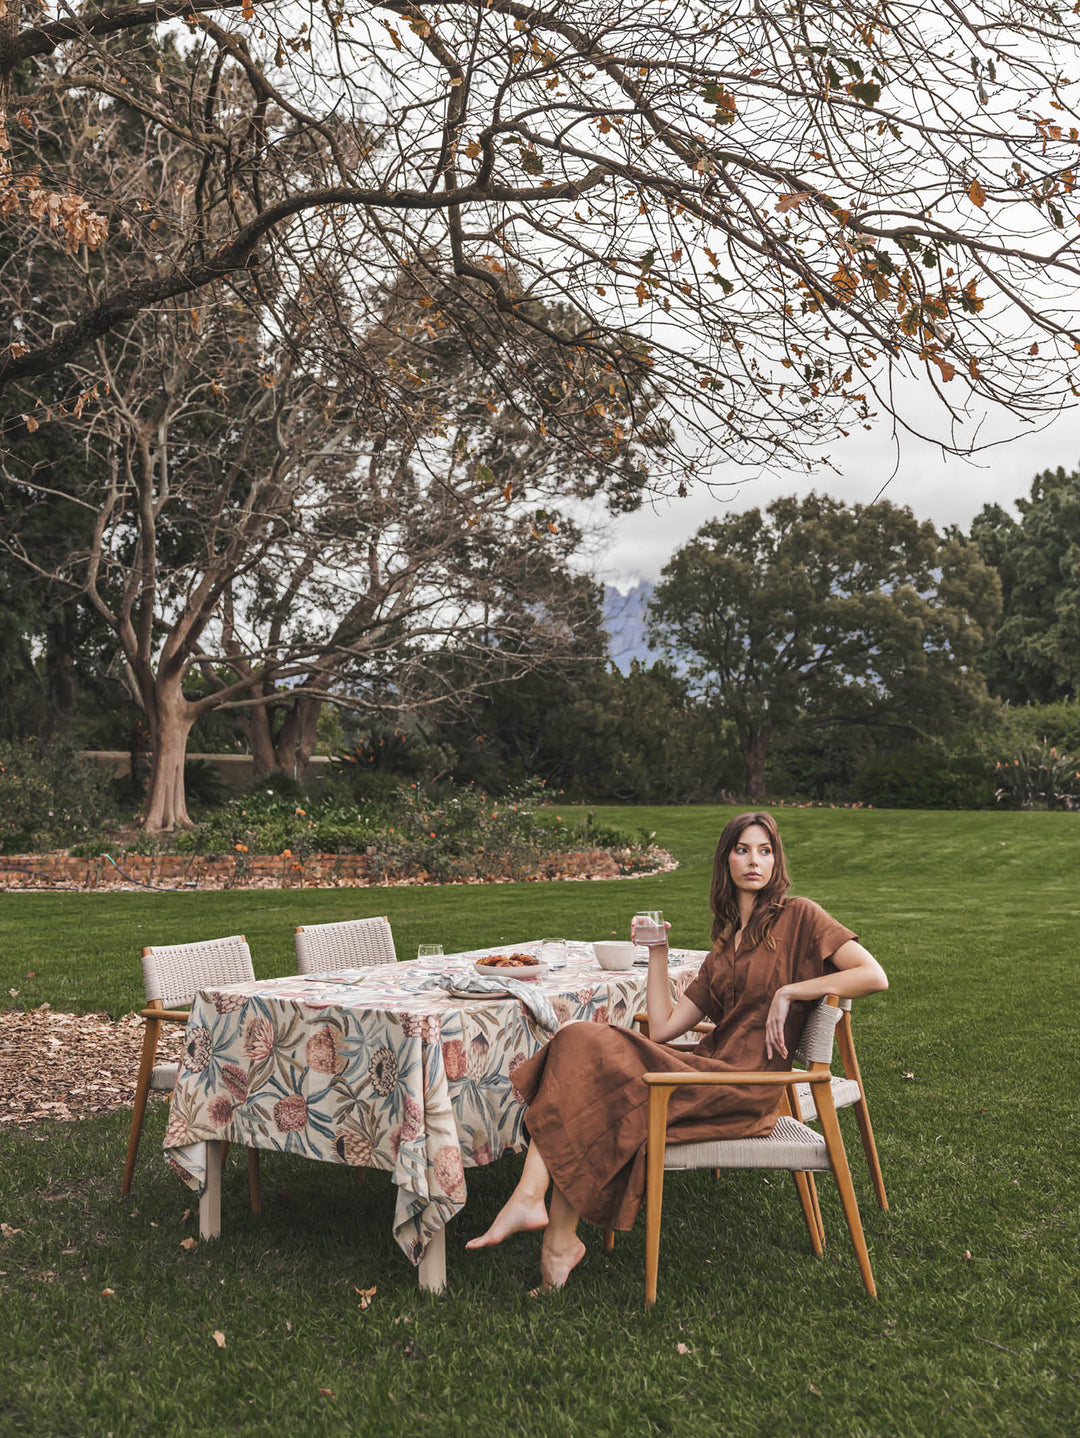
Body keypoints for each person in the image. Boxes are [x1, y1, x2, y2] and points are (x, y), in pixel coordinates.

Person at [465, 810, 888, 1293]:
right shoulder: (725, 947)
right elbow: (664, 1028)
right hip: (703, 1070)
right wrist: (659, 952)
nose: (755, 861)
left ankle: (538, 1211)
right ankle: (554, 1236)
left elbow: (873, 975)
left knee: (584, 1052)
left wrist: (790, 991)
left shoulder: (801, 917)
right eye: (743, 849)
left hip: (742, 1089)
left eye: (765, 850)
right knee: (580, 1048)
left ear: (776, 862)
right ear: (726, 861)